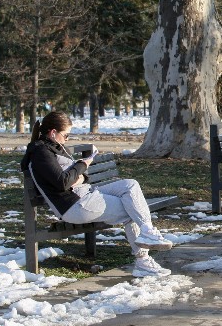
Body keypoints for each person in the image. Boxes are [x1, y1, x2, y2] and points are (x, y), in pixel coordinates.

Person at [20, 111, 173, 277]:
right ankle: (143, 261)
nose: (67, 139)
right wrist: (82, 164)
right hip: (75, 206)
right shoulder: (41, 153)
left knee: (130, 185)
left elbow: (77, 177)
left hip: (86, 194)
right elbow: (63, 182)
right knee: (132, 209)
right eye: (66, 135)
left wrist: (79, 175)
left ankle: (147, 231)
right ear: (53, 133)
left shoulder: (53, 148)